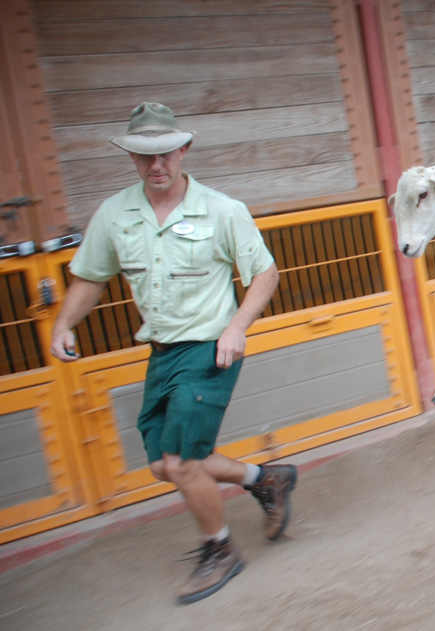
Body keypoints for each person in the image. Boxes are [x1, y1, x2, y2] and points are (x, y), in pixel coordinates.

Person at [50, 102, 295, 604]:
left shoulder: (223, 210)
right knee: (168, 464)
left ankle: (220, 549)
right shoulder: (116, 215)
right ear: (132, 157)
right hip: (161, 353)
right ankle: (265, 478)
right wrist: (63, 322)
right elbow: (89, 278)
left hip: (210, 348)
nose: (156, 164)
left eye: (165, 153)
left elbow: (265, 274)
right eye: (144, 156)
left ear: (183, 149)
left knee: (181, 462)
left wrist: (236, 328)